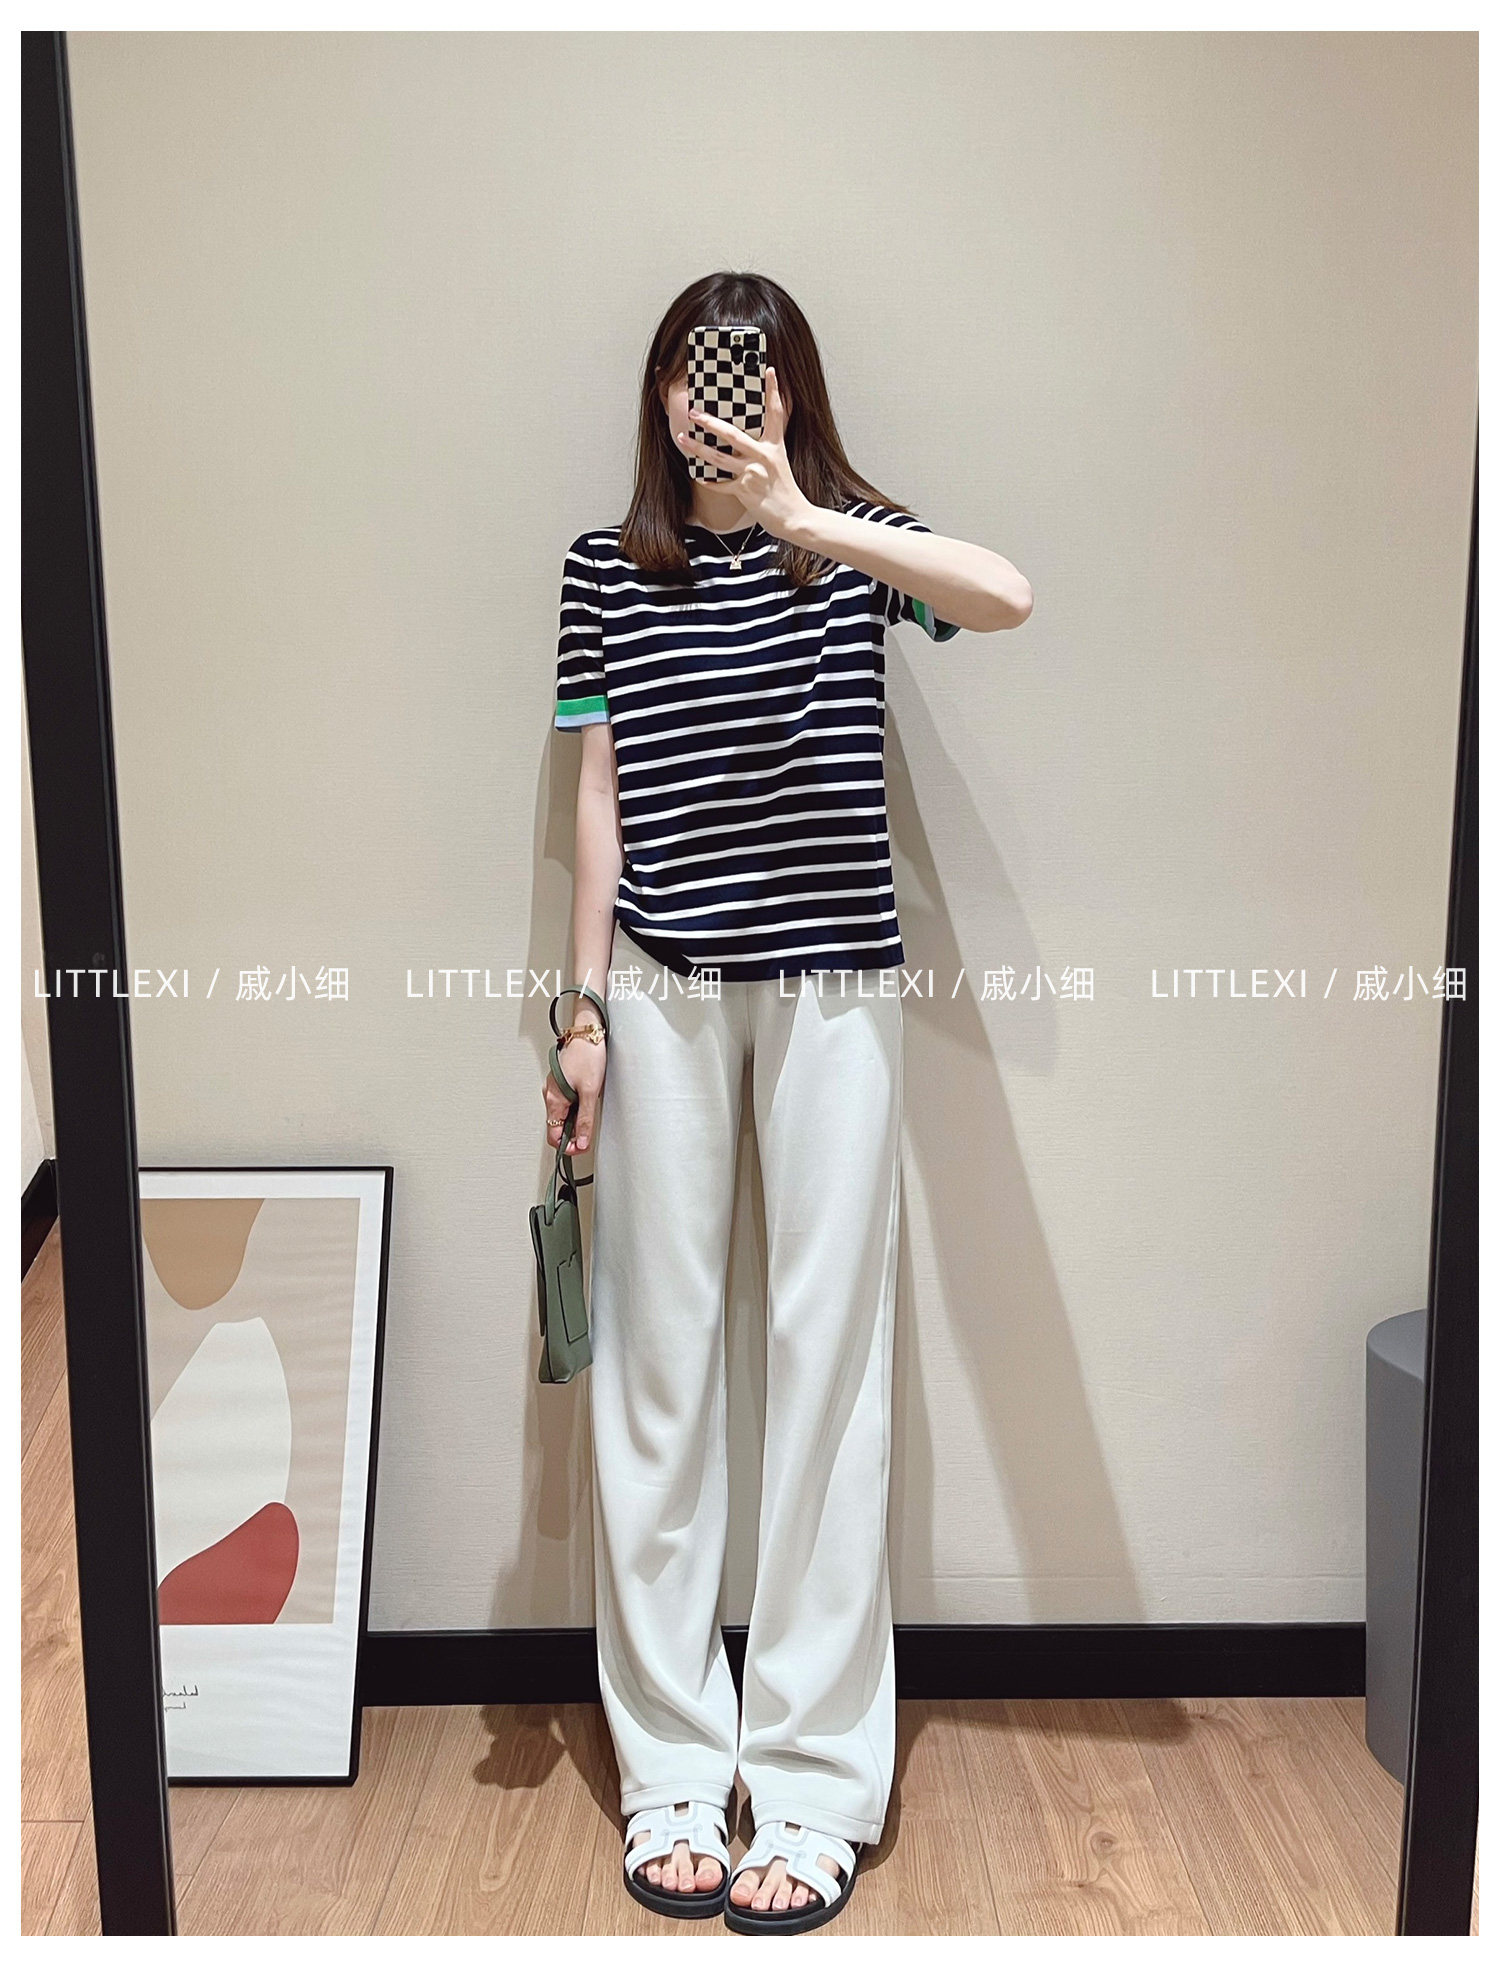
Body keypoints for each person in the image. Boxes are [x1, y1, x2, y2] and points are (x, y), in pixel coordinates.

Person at [543, 270, 1032, 1935]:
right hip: (662, 988)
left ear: (790, 389)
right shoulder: (603, 568)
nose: (719, 400)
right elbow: (600, 796)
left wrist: (813, 517)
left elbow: (1007, 595)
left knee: (829, 1368)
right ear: (661, 393)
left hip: (834, 992)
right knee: (658, 1376)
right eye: (695, 373)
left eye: (748, 373)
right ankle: (674, 1769)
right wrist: (580, 1014)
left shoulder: (846, 546)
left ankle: (816, 1784)